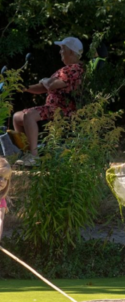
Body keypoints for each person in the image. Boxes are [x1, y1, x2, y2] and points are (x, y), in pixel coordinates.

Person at [13, 37, 84, 166]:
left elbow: (51, 85)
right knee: (17, 117)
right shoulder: (66, 69)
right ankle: (26, 152)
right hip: (51, 108)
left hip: (62, 109)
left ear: (72, 52)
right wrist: (23, 88)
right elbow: (43, 87)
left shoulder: (76, 69)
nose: (60, 52)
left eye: (63, 49)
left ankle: (34, 157)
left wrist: (45, 80)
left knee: (29, 116)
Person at [0, 158, 11, 241]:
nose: (2, 181)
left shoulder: (1, 201)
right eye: (0, 177)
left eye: (6, 179)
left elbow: (0, 220)